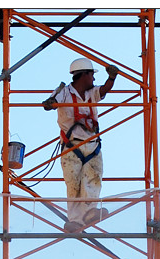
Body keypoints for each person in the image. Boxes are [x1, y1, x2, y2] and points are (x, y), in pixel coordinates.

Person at [43, 58, 119, 232]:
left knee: (93, 178)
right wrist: (50, 103)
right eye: (91, 74)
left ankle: (90, 211)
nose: (93, 78)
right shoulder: (64, 92)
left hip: (92, 144)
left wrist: (112, 78)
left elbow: (105, 89)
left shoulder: (92, 92)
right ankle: (75, 220)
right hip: (72, 145)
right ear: (83, 74)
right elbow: (50, 104)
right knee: (74, 183)